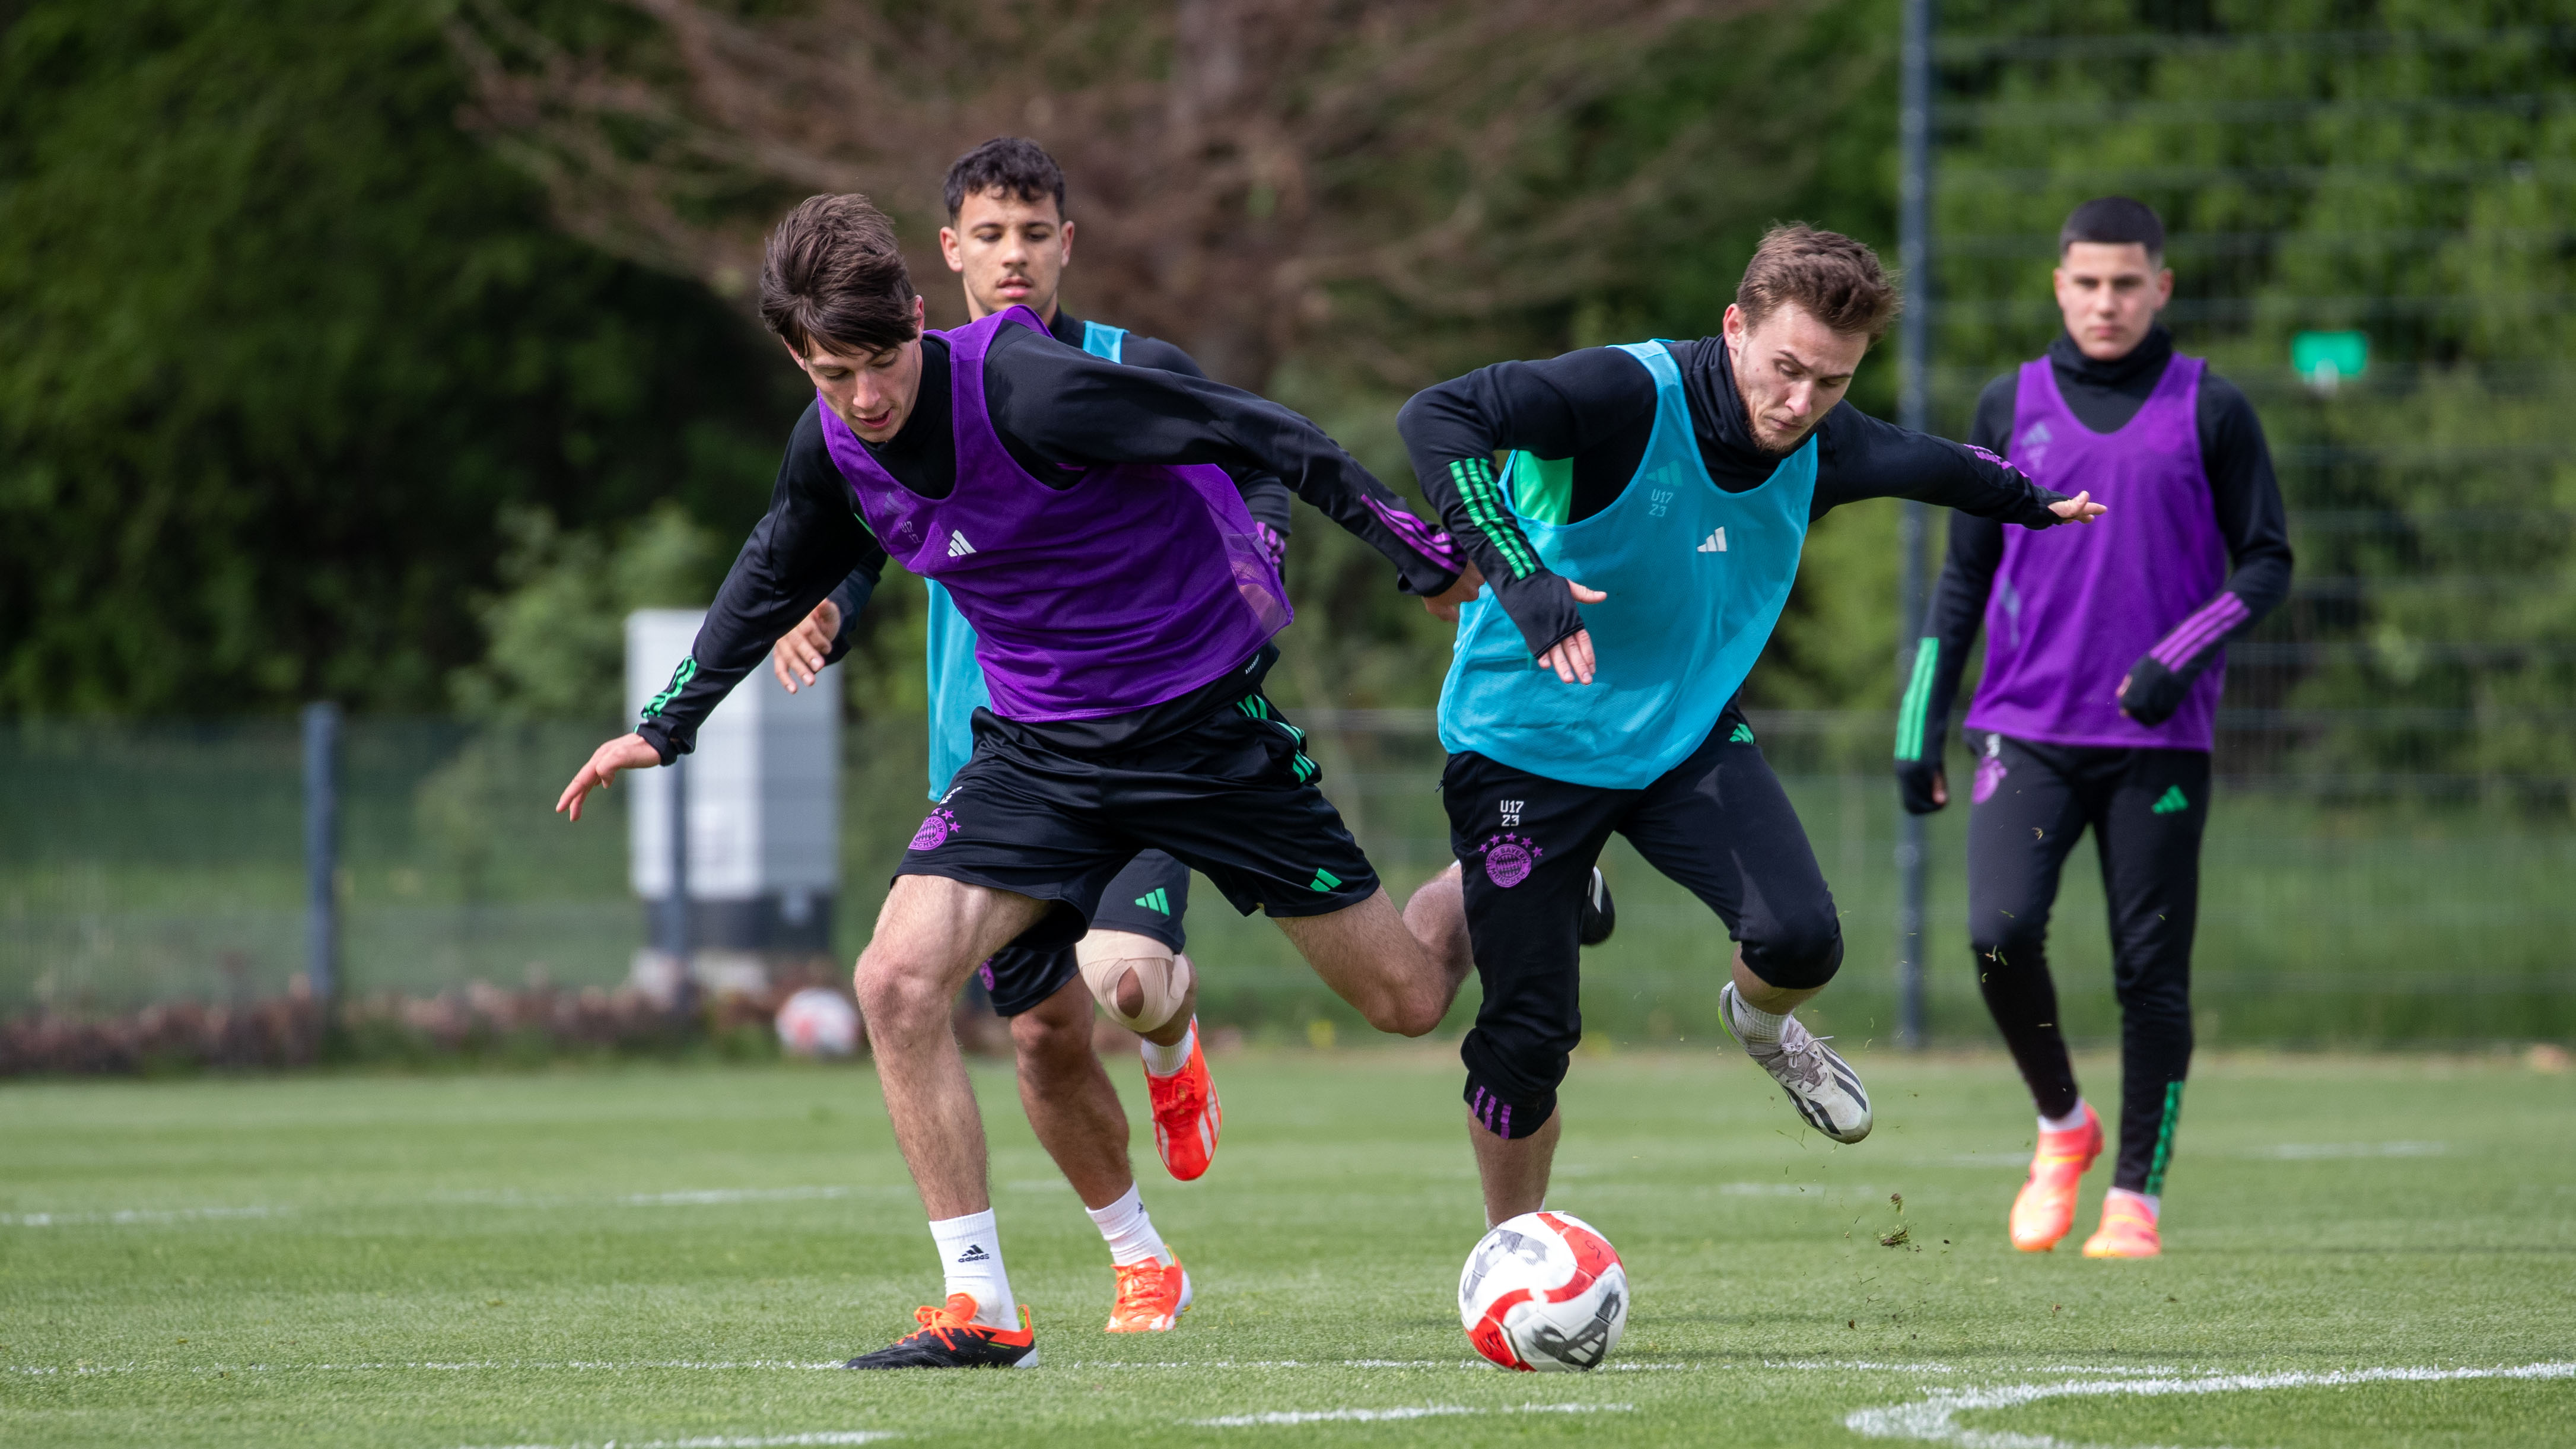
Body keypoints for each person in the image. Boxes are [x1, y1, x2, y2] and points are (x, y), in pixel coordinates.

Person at [555, 190, 1481, 1369]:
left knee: (1406, 1002)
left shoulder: (1026, 386)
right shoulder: (829, 442)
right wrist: (663, 726)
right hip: (1040, 755)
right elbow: (773, 562)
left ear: (918, 318)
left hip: (1202, 731)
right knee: (894, 981)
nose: (868, 396)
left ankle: (1508, 870)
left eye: (882, 361)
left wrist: (1409, 548)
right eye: (832, 373)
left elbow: (1253, 428)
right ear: (795, 356)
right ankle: (980, 1305)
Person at [1398, 224, 2107, 1228]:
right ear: (1733, 328)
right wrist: (1520, 571)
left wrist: (2036, 504)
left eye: (1831, 381)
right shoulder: (1619, 395)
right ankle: (1512, 1253)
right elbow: (1436, 414)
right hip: (1523, 741)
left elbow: (1940, 466)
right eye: (1784, 369)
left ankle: (1764, 1030)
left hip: (1681, 734)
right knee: (1528, 1037)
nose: (1800, 404)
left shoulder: (1823, 440)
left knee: (1801, 939)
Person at [764, 138, 1291, 1337]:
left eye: (1033, 233)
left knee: (1126, 980)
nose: (1012, 256)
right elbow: (851, 524)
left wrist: (1258, 564)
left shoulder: (1116, 373)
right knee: (1045, 1038)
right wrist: (832, 608)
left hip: (1146, 739)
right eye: (988, 235)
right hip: (996, 764)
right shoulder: (901, 391)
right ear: (946, 254)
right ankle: (1140, 1255)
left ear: (1067, 244)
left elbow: (1247, 457)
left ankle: (1169, 1040)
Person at [1891, 197, 2290, 1260]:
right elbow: (1963, 577)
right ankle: (2063, 1124)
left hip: (2158, 745)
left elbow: (2266, 562)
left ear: (2160, 286)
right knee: (1996, 932)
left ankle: (2134, 1198)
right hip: (2023, 729)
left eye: (2126, 283)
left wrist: (2178, 655)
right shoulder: (2005, 404)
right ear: (2058, 286)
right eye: (2086, 282)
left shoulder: (2211, 406)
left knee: (2147, 972)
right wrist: (1918, 722)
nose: (2105, 302)